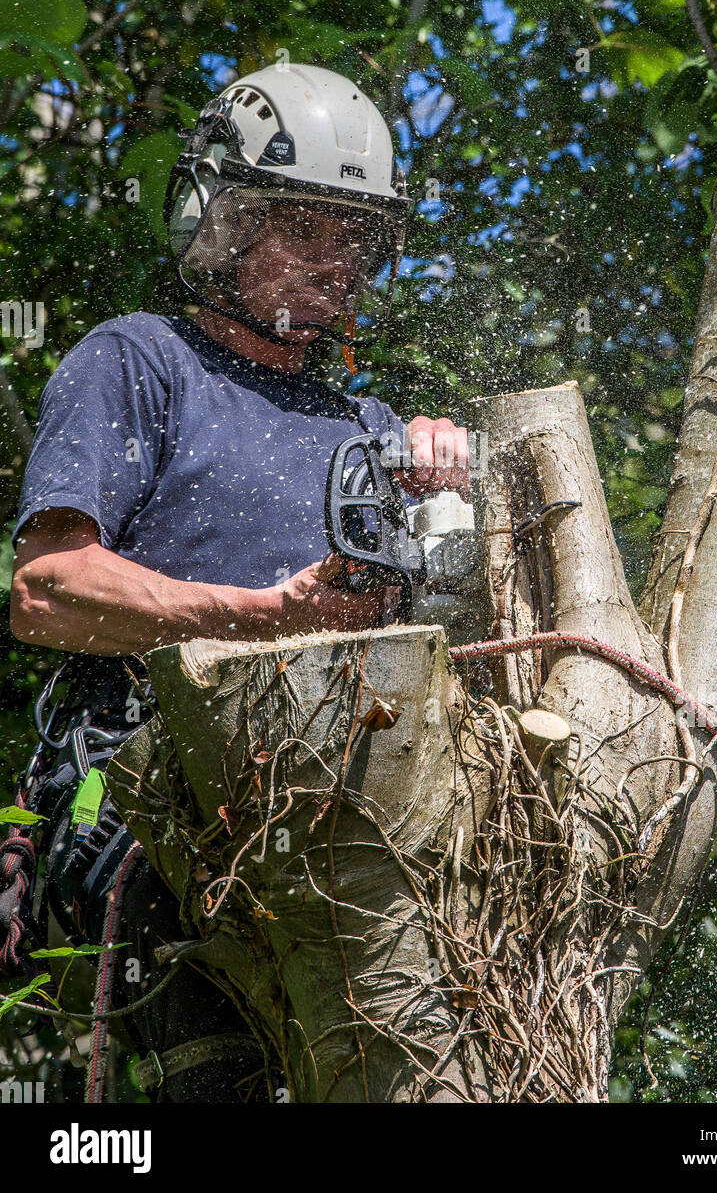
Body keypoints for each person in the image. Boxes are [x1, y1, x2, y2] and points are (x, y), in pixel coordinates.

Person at [5, 63, 470, 1101]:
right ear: (223, 225)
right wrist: (263, 617)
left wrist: (449, 486)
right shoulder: (140, 361)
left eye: (355, 238)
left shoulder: (367, 426)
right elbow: (46, 590)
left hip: (347, 815)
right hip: (151, 796)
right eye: (305, 228)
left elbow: (450, 632)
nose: (335, 261)